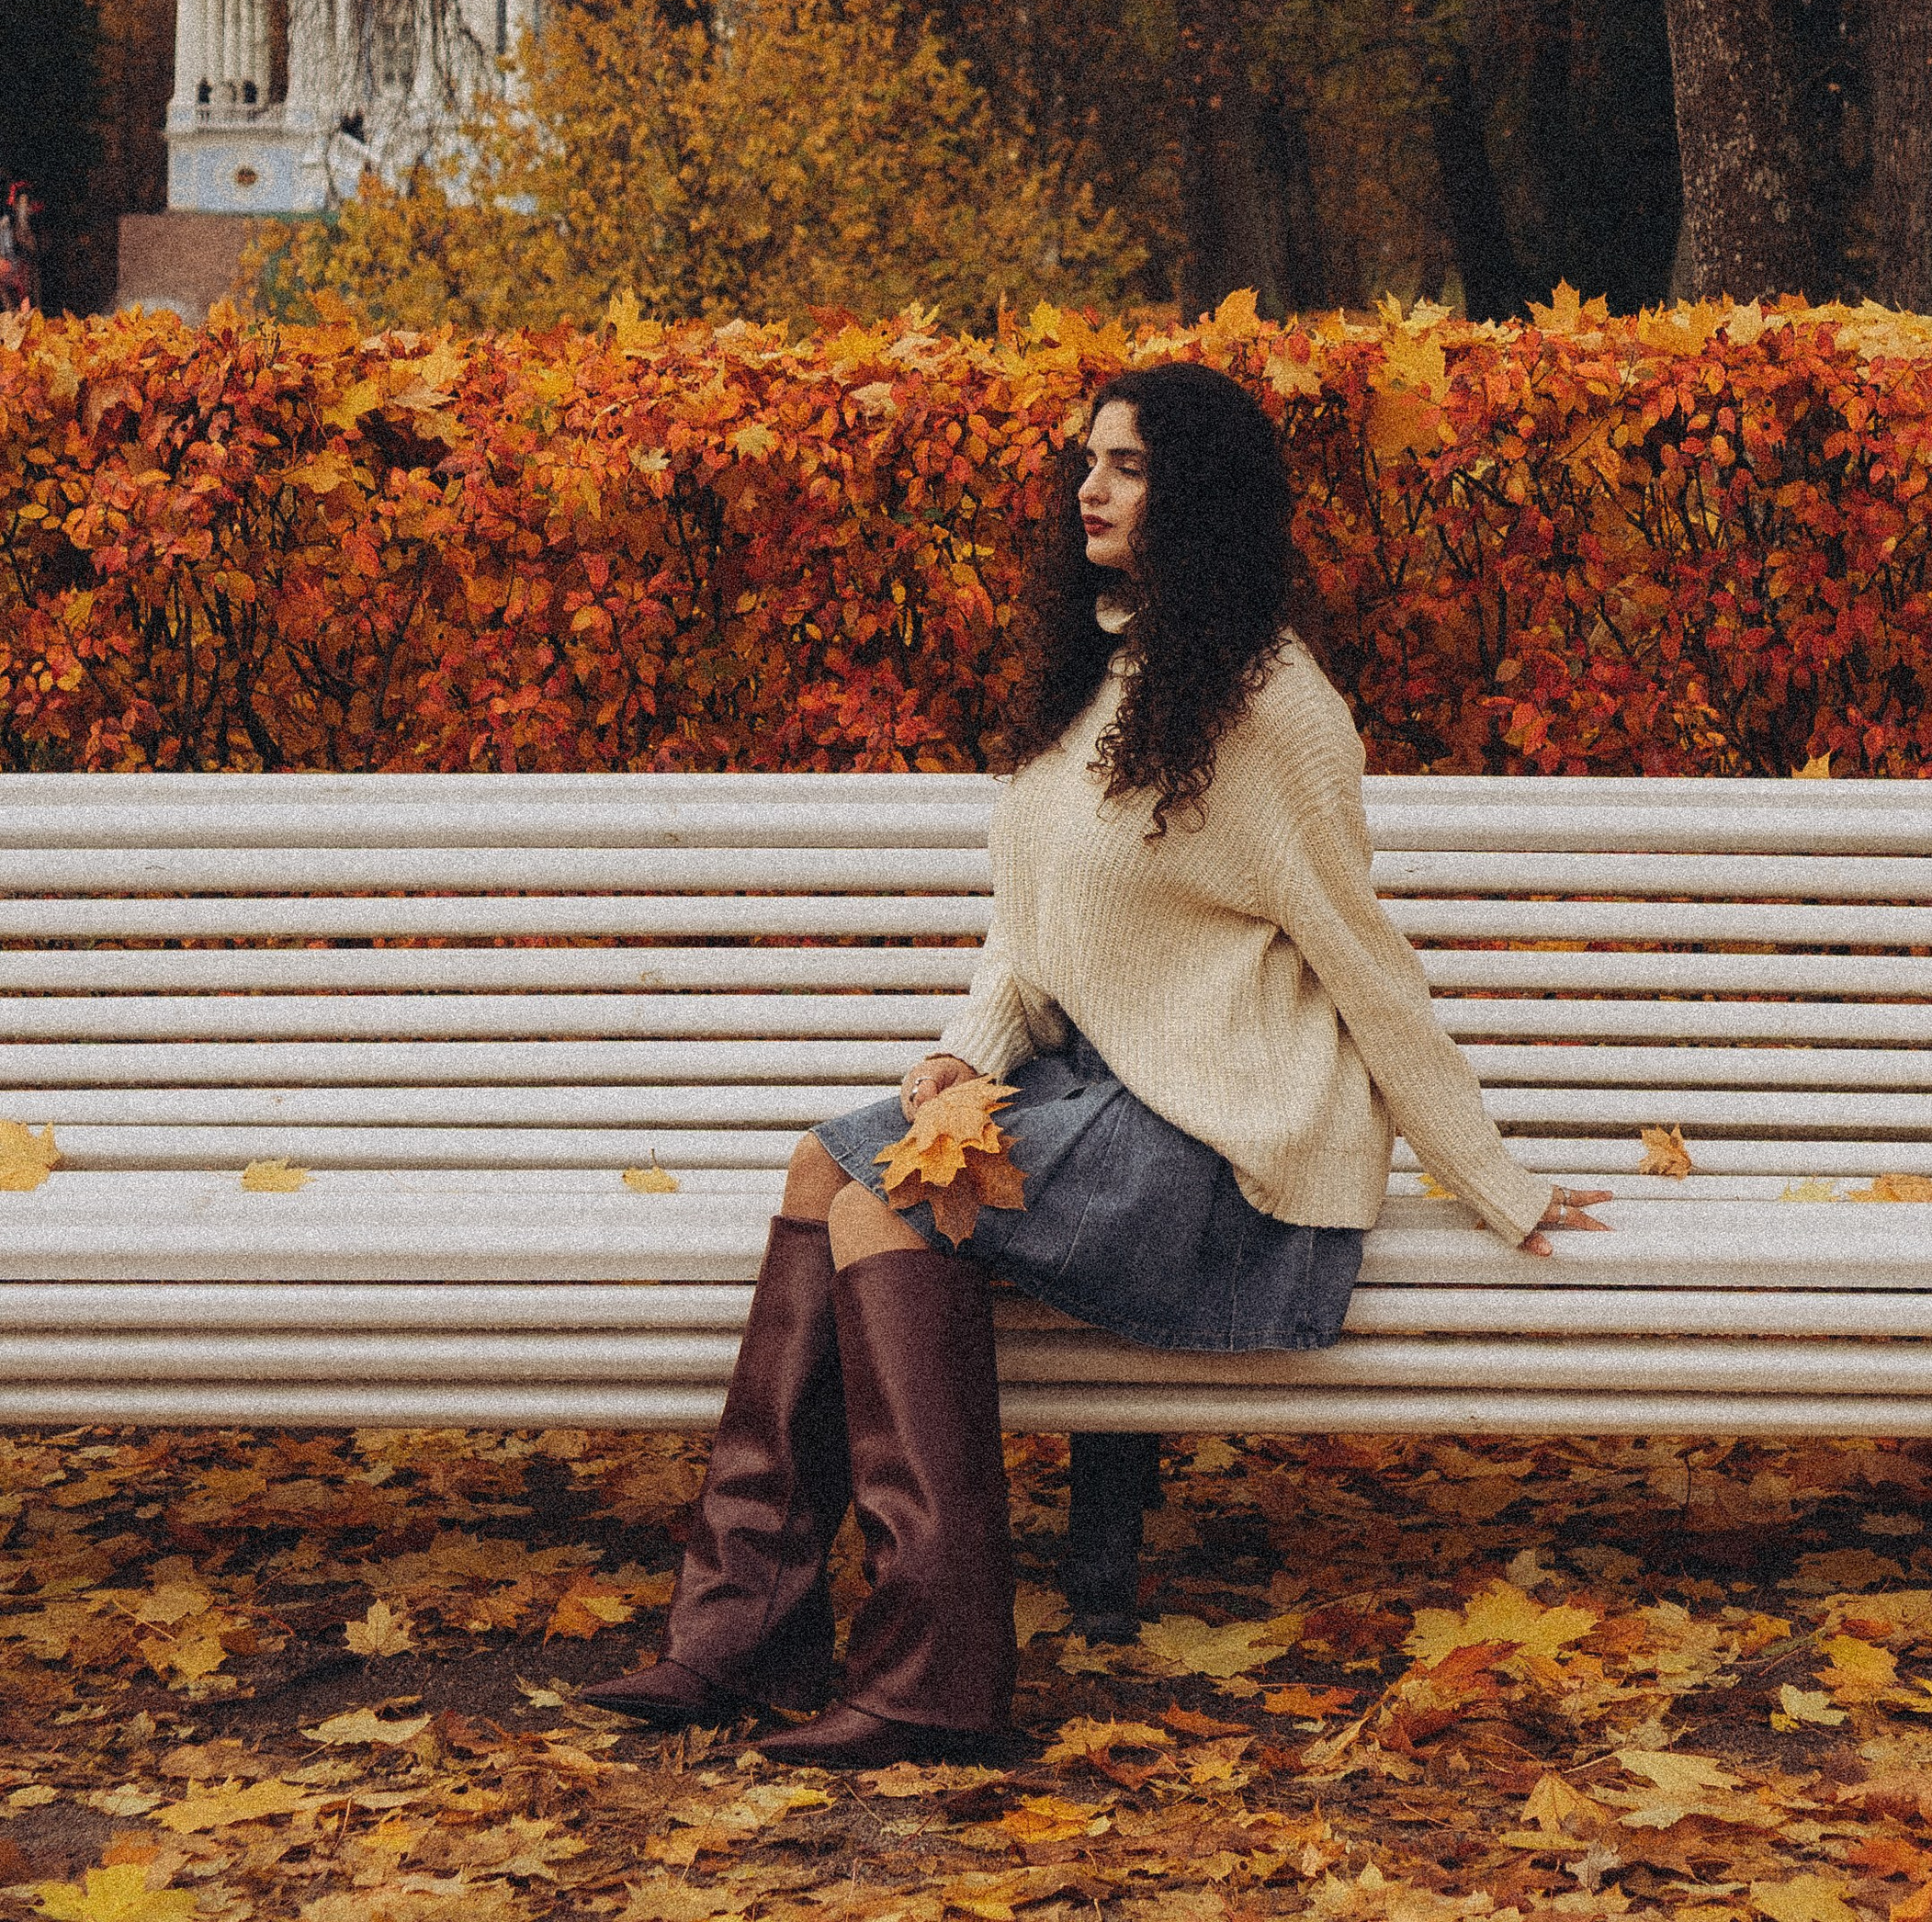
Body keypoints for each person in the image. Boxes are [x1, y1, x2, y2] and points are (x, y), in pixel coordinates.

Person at [582, 358, 1594, 1766]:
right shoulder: (1102, 670)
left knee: (888, 1200)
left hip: (1225, 1153)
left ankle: (936, 1674)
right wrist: (957, 1059)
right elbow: (1028, 924)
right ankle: (740, 1630)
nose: (1089, 489)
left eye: (1124, 465)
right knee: (830, 1163)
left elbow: (1367, 959)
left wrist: (1498, 1181)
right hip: (1100, 1108)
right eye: (1087, 461)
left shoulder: (1273, 706)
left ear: (1200, 495)